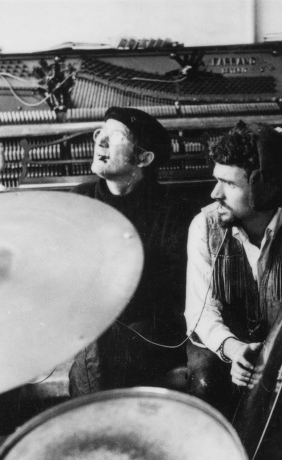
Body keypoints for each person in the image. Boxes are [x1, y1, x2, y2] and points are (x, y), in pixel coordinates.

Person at [184, 120, 282, 418]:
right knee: (205, 379)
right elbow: (201, 313)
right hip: (221, 348)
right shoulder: (204, 226)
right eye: (217, 179)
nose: (215, 193)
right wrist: (236, 351)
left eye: (231, 184)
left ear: (267, 190)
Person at [69, 107, 190, 396]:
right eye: (102, 132)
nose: (101, 141)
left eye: (116, 136)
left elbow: (172, 292)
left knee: (102, 351)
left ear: (144, 158)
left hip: (149, 332)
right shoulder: (80, 200)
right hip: (91, 329)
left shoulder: (173, 210)